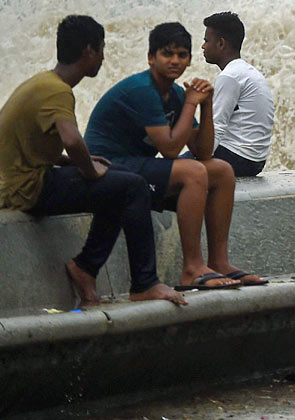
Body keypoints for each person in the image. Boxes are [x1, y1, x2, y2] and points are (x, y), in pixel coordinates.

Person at [0, 16, 185, 308]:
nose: (103, 57)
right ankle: (144, 283)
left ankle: (85, 267)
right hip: (27, 190)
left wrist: (72, 163)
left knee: (118, 180)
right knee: (132, 187)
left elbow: (30, 144)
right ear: (88, 51)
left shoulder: (43, 83)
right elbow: (73, 140)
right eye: (101, 49)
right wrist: (88, 170)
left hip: (23, 181)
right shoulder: (57, 91)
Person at [85, 22, 265, 291]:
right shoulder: (143, 90)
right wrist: (192, 102)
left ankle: (220, 262)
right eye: (167, 54)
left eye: (182, 55)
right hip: (105, 167)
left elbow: (203, 151)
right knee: (194, 173)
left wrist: (204, 107)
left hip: (135, 166)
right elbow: (170, 149)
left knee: (222, 171)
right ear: (151, 57)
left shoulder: (178, 94)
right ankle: (192, 268)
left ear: (190, 59)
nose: (175, 61)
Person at [201, 12, 275, 178]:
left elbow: (216, 127)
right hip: (256, 161)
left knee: (175, 169)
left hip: (237, 159)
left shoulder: (230, 76)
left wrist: (198, 161)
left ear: (221, 44)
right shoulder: (247, 71)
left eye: (206, 41)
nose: (203, 46)